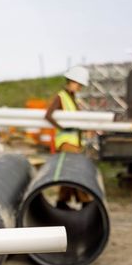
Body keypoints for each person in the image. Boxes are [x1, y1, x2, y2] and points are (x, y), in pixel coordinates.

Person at [46, 66, 91, 209]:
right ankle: (85, 201)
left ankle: (62, 202)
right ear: (72, 81)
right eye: (79, 85)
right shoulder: (61, 96)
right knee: (75, 171)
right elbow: (48, 115)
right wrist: (63, 128)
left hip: (73, 141)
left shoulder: (72, 99)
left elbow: (75, 122)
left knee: (69, 172)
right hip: (66, 142)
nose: (79, 88)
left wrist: (84, 130)